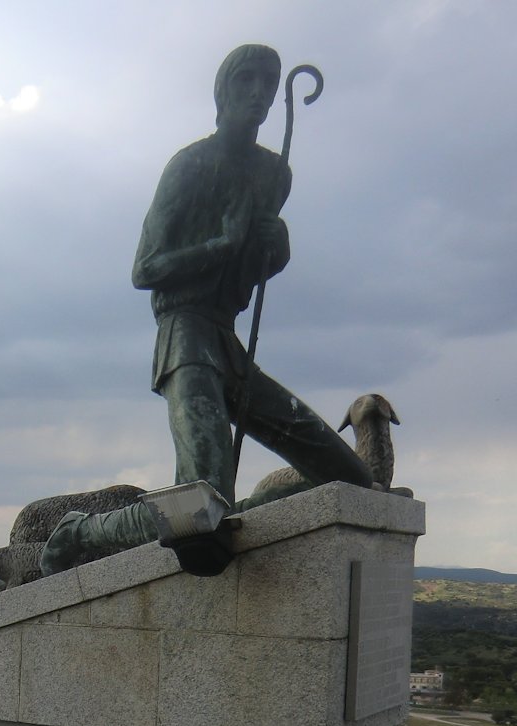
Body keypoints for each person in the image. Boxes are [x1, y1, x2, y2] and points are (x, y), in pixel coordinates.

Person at [133, 42, 371, 506]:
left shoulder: (274, 175)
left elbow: (250, 271)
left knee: (353, 482)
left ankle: (237, 520)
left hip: (228, 344)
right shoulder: (190, 166)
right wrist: (219, 245)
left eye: (268, 81)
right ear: (223, 92)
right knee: (202, 498)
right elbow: (145, 269)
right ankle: (78, 534)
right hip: (184, 338)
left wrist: (275, 252)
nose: (259, 92)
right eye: (247, 80)